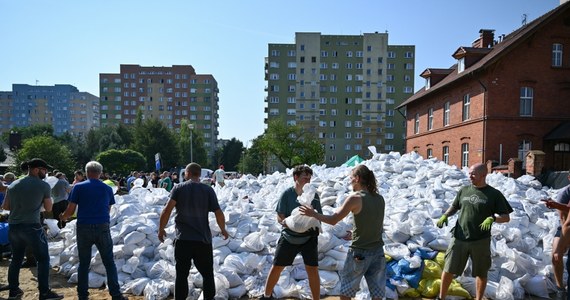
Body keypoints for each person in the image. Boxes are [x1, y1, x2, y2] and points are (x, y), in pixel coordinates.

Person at [300, 164, 386, 300]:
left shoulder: (355, 198)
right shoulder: (380, 199)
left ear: (357, 178)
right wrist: (358, 232)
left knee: (346, 292)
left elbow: (333, 220)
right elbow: (374, 223)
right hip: (378, 252)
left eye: (351, 178)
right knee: (377, 294)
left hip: (359, 253)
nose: (349, 180)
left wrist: (313, 214)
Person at [436, 163, 513, 300]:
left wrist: (493, 218)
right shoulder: (464, 190)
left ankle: (478, 298)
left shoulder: (494, 194)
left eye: (473, 174)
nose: (470, 176)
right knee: (448, 268)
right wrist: (445, 215)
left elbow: (506, 217)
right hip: (459, 238)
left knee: (481, 272)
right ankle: (441, 297)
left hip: (480, 240)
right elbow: (454, 206)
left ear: (483, 175)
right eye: (469, 173)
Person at [158, 163, 228, 300]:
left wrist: (161, 229)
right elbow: (219, 213)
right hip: (203, 240)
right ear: (199, 174)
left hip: (183, 239)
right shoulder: (208, 190)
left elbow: (167, 210)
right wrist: (223, 229)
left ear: (187, 173)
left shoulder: (179, 188)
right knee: (207, 274)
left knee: (182, 275)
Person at [59, 161, 127, 300]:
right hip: (102, 226)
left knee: (84, 263)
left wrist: (63, 217)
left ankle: (83, 296)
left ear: (86, 172)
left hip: (84, 227)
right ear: (100, 173)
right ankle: (116, 294)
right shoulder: (107, 189)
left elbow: (71, 211)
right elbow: (108, 209)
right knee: (109, 262)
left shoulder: (78, 187)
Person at [2, 158, 63, 300]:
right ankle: (44, 292)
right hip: (32, 227)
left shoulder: (13, 185)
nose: (46, 173)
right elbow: (48, 208)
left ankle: (13, 290)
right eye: (44, 170)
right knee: (42, 259)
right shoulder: (43, 186)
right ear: (36, 169)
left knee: (16, 259)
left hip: (14, 227)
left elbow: (6, 207)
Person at [261, 165, 322, 300]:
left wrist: (312, 216)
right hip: (289, 237)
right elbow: (280, 215)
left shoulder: (314, 195)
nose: (308, 181)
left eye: (309, 178)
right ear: (296, 177)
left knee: (312, 269)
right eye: (305, 178)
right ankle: (266, 296)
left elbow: (319, 217)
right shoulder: (287, 194)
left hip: (309, 238)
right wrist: (284, 222)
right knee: (277, 266)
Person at [549, 170, 570, 299]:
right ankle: (560, 287)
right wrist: (564, 242)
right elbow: (563, 220)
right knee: (555, 256)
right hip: (564, 226)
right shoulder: (565, 193)